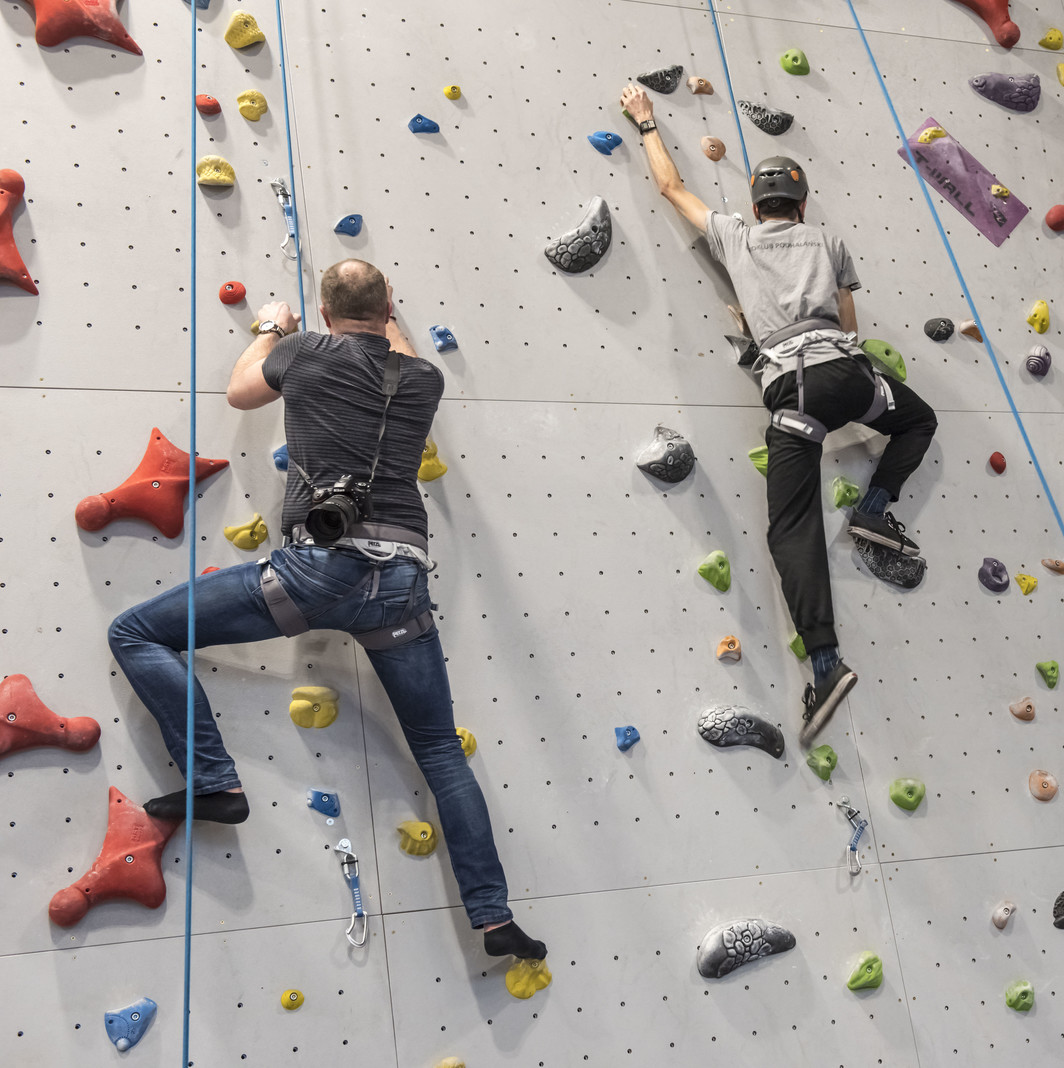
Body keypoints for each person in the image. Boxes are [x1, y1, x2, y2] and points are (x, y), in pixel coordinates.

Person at [107, 259, 546, 965]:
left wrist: (270, 326)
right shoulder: (423, 380)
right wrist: (385, 314)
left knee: (134, 632)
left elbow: (240, 390)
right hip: (401, 584)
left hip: (314, 573)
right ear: (389, 307)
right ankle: (494, 918)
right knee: (440, 752)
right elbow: (397, 352)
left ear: (321, 312)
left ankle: (214, 780)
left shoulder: (304, 351)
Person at [619, 83, 939, 747]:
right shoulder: (829, 240)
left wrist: (647, 123)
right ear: (802, 204)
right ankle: (875, 509)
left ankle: (825, 664)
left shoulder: (735, 237)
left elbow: (672, 188)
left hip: (796, 395)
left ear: (755, 204)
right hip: (850, 378)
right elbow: (849, 324)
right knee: (916, 420)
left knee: (793, 527)